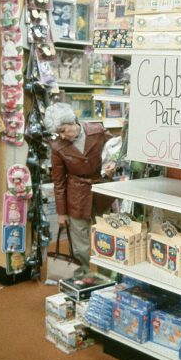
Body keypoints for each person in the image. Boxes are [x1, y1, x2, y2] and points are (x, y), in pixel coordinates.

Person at [44, 103, 114, 277]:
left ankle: (109, 280)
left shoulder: (97, 131)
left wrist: (114, 165)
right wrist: (61, 213)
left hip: (101, 190)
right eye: (57, 133)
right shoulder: (57, 147)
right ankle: (82, 281)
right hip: (76, 196)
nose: (61, 136)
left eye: (63, 130)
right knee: (80, 246)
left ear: (72, 121)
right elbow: (58, 181)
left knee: (106, 239)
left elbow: (114, 149)